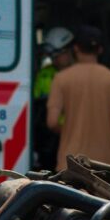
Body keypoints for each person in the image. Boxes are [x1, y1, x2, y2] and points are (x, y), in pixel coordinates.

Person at [46, 25, 110, 171]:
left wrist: (71, 131)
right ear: (100, 50)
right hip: (105, 167)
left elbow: (52, 122)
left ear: (76, 48)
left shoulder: (61, 79)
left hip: (70, 165)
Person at [32, 27, 75, 170]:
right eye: (52, 55)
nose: (55, 59)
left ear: (70, 50)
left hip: (73, 132)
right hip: (50, 134)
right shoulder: (45, 74)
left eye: (58, 54)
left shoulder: (78, 73)